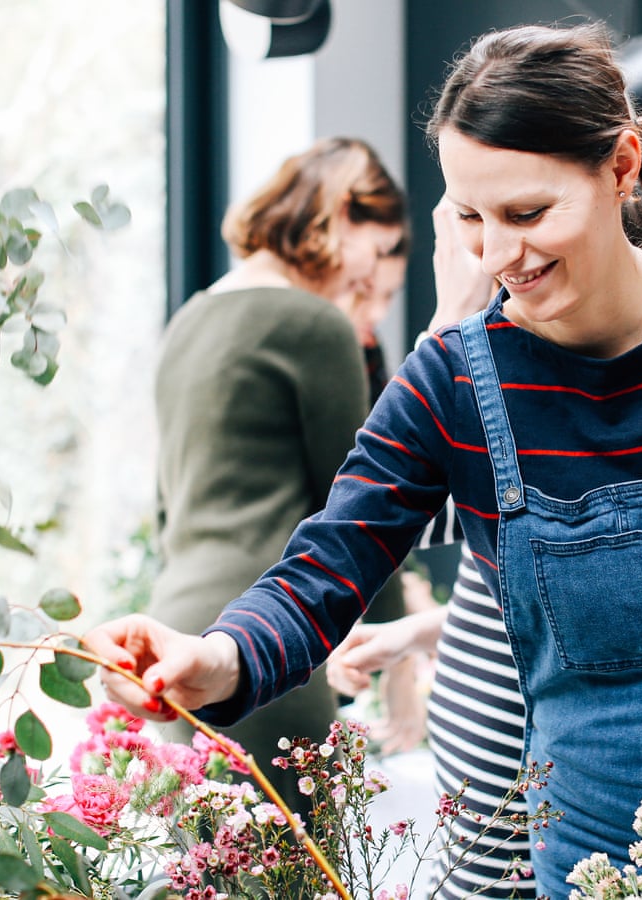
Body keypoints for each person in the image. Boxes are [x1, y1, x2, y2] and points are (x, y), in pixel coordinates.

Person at [88, 22, 642, 899]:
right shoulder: (454, 384)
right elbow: (328, 563)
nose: (499, 256)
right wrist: (218, 657)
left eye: (528, 213)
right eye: (471, 219)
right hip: (602, 864)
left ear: (622, 166)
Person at [324, 190, 642, 900]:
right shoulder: (501, 371)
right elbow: (529, 579)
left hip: (527, 803)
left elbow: (418, 507)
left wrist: (452, 317)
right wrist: (424, 631)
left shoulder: (544, 383)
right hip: (486, 807)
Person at [145, 136, 411, 812]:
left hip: (177, 634)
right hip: (262, 648)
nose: (372, 288)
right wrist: (400, 669)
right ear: (338, 214)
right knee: (297, 876)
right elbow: (362, 515)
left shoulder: (190, 319)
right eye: (378, 253)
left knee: (206, 876)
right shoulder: (313, 324)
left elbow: (166, 507)